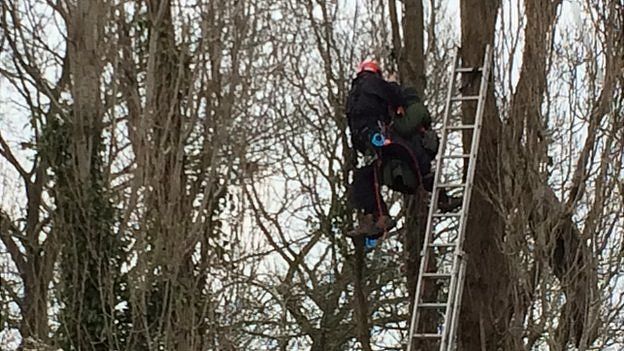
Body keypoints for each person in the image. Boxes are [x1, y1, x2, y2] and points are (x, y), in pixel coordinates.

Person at [346, 60, 461, 239]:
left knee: (369, 174)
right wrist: (393, 87)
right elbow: (393, 94)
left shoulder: (356, 92)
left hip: (368, 137)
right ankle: (378, 216)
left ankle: (377, 215)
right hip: (377, 135)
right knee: (400, 164)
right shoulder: (374, 85)